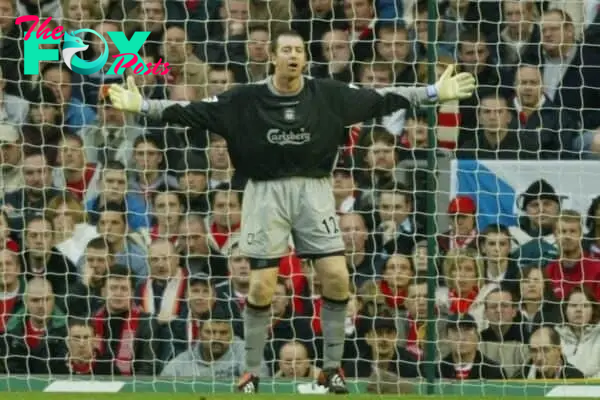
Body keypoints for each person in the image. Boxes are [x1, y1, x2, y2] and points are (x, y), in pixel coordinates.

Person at [108, 29, 475, 394]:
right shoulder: (245, 99)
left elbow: (380, 98)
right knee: (261, 285)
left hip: (314, 191)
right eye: (286, 50)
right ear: (272, 56)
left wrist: (432, 93)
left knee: (336, 277)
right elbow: (192, 112)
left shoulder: (326, 94)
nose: (293, 55)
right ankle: (251, 371)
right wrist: (141, 106)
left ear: (305, 58)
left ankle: (331, 369)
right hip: (264, 193)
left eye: (299, 50)